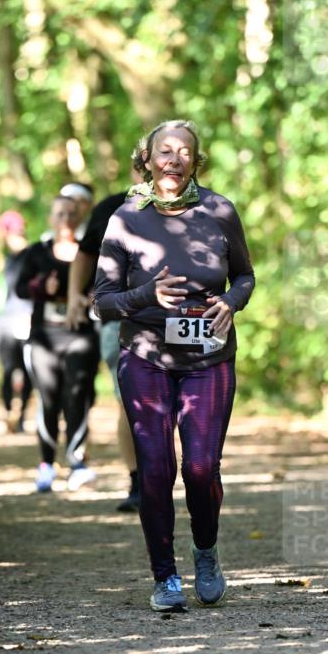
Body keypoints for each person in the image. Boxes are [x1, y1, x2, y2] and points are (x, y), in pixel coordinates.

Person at [94, 120, 255, 611]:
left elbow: (245, 276)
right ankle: (164, 577)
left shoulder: (219, 210)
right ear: (147, 158)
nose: (175, 159)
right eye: (165, 150)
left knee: (202, 468)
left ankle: (205, 552)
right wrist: (148, 293)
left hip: (209, 357)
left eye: (185, 152)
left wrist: (231, 301)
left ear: (196, 161)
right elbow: (102, 302)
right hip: (145, 357)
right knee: (156, 469)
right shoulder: (125, 218)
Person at [66, 171, 142, 512]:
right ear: (135, 170)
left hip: (174, 320)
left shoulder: (192, 208)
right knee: (128, 400)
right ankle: (139, 482)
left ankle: (170, 474)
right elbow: (83, 255)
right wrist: (73, 297)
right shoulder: (111, 207)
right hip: (118, 320)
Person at [15, 195, 100, 492]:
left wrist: (93, 297)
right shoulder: (37, 252)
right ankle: (47, 465)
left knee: (76, 398)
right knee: (49, 401)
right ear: (50, 218)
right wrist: (42, 286)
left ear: (79, 219)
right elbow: (20, 288)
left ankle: (77, 463)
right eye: (59, 213)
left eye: (71, 213)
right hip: (44, 339)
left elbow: (106, 284)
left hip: (80, 336)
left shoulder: (89, 253)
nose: (65, 218)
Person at [0, 211, 34, 433]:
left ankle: (21, 417)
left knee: (27, 371)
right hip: (6, 322)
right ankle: (10, 413)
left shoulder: (33, 256)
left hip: (26, 320)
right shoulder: (8, 260)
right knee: (8, 370)